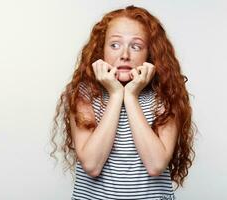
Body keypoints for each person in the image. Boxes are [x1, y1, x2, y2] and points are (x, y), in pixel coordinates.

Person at [50, 5, 195, 200]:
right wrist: (116, 94)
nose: (124, 55)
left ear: (149, 53)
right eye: (115, 45)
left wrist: (131, 96)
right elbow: (92, 165)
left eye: (136, 46)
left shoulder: (166, 94)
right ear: (101, 50)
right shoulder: (85, 93)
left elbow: (156, 165)